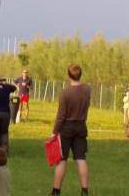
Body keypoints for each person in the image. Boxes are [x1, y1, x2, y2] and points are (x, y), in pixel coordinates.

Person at [46, 64, 91, 196]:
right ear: (80, 74)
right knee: (81, 159)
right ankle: (85, 191)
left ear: (68, 75)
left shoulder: (66, 92)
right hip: (81, 126)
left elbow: (61, 115)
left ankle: (56, 191)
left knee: (62, 160)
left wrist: (54, 132)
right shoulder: (87, 89)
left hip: (66, 127)